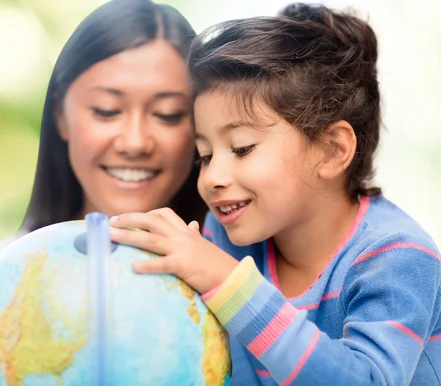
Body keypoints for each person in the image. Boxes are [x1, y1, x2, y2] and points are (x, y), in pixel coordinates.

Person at [109, 3, 441, 385]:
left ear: (333, 150)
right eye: (204, 154)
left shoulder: (397, 257)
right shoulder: (226, 237)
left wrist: (228, 283)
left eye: (242, 148)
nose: (212, 176)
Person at [0, 0, 207, 293]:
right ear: (60, 116)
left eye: (168, 114)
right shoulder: (4, 272)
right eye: (106, 110)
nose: (135, 143)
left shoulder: (232, 274)